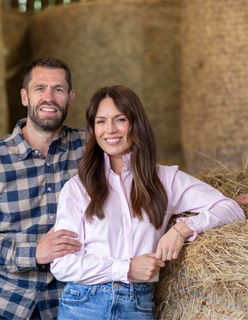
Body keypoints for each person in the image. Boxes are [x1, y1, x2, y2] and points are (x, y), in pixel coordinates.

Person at [50, 85, 246, 320]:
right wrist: (127, 268)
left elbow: (230, 209)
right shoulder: (78, 188)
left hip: (137, 306)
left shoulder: (165, 179)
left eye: (120, 119)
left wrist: (182, 229)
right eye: (101, 121)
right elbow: (61, 264)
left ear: (136, 124)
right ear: (93, 129)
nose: (110, 130)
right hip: (84, 305)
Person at [0, 57, 86, 320]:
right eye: (40, 88)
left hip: (67, 303)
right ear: (25, 97)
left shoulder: (90, 150)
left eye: (58, 89)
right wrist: (33, 253)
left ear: (70, 98)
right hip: (0, 301)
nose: (49, 97)